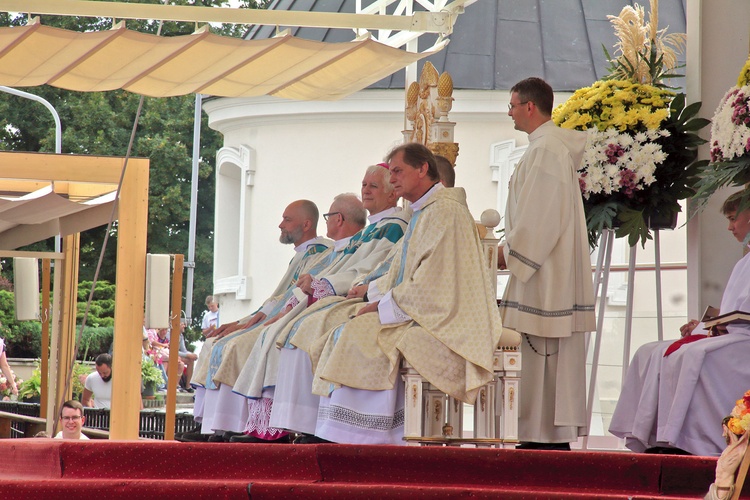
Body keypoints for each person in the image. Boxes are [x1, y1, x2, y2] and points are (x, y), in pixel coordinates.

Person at [272, 143, 502, 445]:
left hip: (446, 316)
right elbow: (400, 268)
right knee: (345, 327)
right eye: (390, 172)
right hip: (420, 306)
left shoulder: (446, 211)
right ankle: (337, 432)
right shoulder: (425, 211)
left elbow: (435, 281)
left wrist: (385, 305)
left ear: (422, 169)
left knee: (357, 334)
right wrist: (375, 295)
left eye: (397, 171)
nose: (392, 178)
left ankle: (364, 436)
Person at [228, 166, 409, 443]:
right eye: (364, 184)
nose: (366, 190)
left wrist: (328, 284)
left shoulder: (395, 226)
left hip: (362, 295)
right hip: (348, 291)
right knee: (289, 330)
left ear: (392, 191)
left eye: (373, 186)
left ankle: (308, 425)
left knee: (306, 329)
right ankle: (283, 424)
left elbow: (372, 268)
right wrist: (317, 281)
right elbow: (348, 264)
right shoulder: (371, 230)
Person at [609, 189, 750, 456]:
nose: (730, 227)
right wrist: (705, 324)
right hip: (735, 333)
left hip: (744, 340)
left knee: (694, 354)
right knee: (650, 350)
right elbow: (735, 310)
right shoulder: (744, 261)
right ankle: (655, 436)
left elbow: (742, 315)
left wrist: (720, 324)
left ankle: (692, 440)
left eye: (734, 218)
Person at [179, 200, 332, 442]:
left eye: (287, 219)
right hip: (277, 315)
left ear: (306, 224)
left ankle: (238, 426)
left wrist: (249, 322)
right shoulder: (302, 254)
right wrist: (244, 320)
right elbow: (277, 298)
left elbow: (291, 298)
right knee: (214, 344)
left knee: (234, 346)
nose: (281, 225)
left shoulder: (320, 253)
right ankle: (211, 426)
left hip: (293, 319)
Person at [497, 77, 596, 450]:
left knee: (540, 355)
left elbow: (539, 217)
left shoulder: (546, 151)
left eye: (511, 105)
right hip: (545, 269)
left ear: (529, 107)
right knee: (540, 358)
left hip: (543, 273)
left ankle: (543, 439)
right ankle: (540, 436)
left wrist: (509, 255)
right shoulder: (548, 148)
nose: (509, 113)